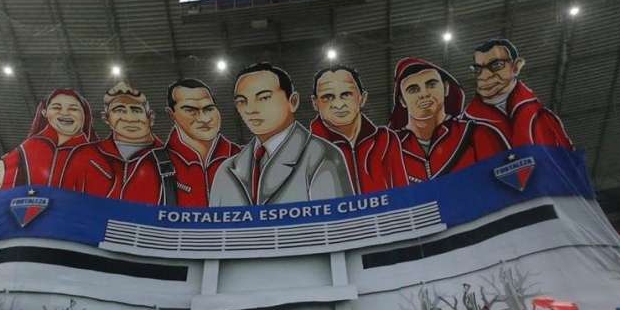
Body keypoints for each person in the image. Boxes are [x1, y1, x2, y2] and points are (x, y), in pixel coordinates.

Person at [209, 63, 353, 206]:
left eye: (264, 98)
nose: (250, 109)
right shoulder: (226, 171)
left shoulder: (322, 156)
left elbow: (336, 219)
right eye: (242, 101)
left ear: (293, 102)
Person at [390, 57, 510, 183]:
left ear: (446, 88)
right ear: (402, 101)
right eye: (413, 90)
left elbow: (507, 183)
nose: (424, 94)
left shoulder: (477, 134)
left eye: (431, 85)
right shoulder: (390, 149)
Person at [58, 82, 165, 203]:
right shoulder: (85, 155)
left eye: (136, 110)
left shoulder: (171, 158)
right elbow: (64, 203)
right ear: (106, 118)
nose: (129, 118)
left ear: (150, 117)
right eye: (119, 110)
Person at [0, 88, 96, 192]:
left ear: (85, 116)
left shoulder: (94, 156)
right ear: (44, 113)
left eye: (73, 109)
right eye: (56, 107)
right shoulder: (27, 149)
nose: (65, 113)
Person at [309, 65, 406, 193]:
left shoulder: (386, 140)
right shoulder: (307, 150)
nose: (338, 105)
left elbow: (403, 194)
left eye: (346, 94)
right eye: (327, 97)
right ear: (315, 103)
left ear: (362, 98)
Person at [464, 38, 573, 150]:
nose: (484, 76)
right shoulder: (464, 127)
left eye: (497, 65)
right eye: (478, 69)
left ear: (516, 66)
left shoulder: (544, 117)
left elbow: (567, 156)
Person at [156, 79, 241, 206]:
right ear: (171, 114)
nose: (204, 119)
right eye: (190, 110)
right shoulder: (151, 165)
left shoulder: (245, 158)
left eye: (209, 108)